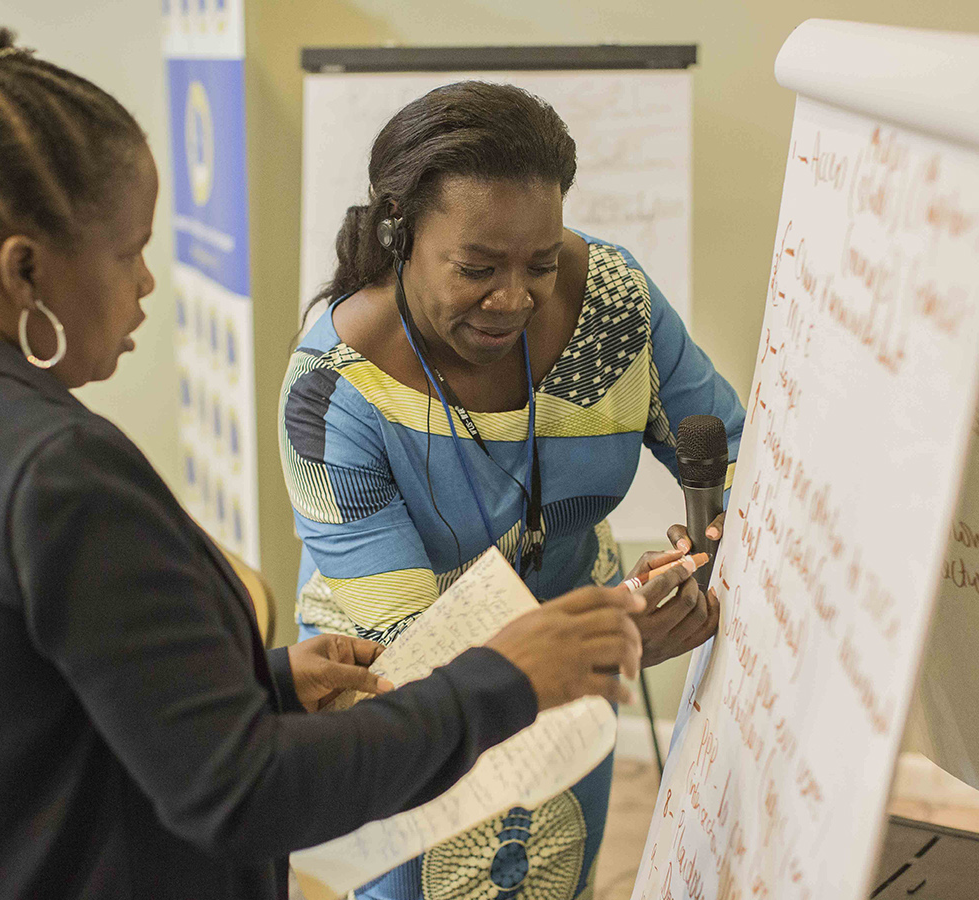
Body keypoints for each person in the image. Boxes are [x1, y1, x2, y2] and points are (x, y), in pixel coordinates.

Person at [0, 16, 695, 900]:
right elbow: (243, 796)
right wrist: (505, 680)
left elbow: (29, 715)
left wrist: (260, 682)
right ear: (24, 271)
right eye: (131, 253)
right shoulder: (58, 476)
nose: (149, 282)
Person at [280, 81, 746, 900]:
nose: (515, 298)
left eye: (541, 260)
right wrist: (614, 638)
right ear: (400, 233)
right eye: (477, 268)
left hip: (577, 659)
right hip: (408, 700)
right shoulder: (332, 395)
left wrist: (704, 551)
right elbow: (419, 660)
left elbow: (729, 454)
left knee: (555, 874)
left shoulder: (612, 304)